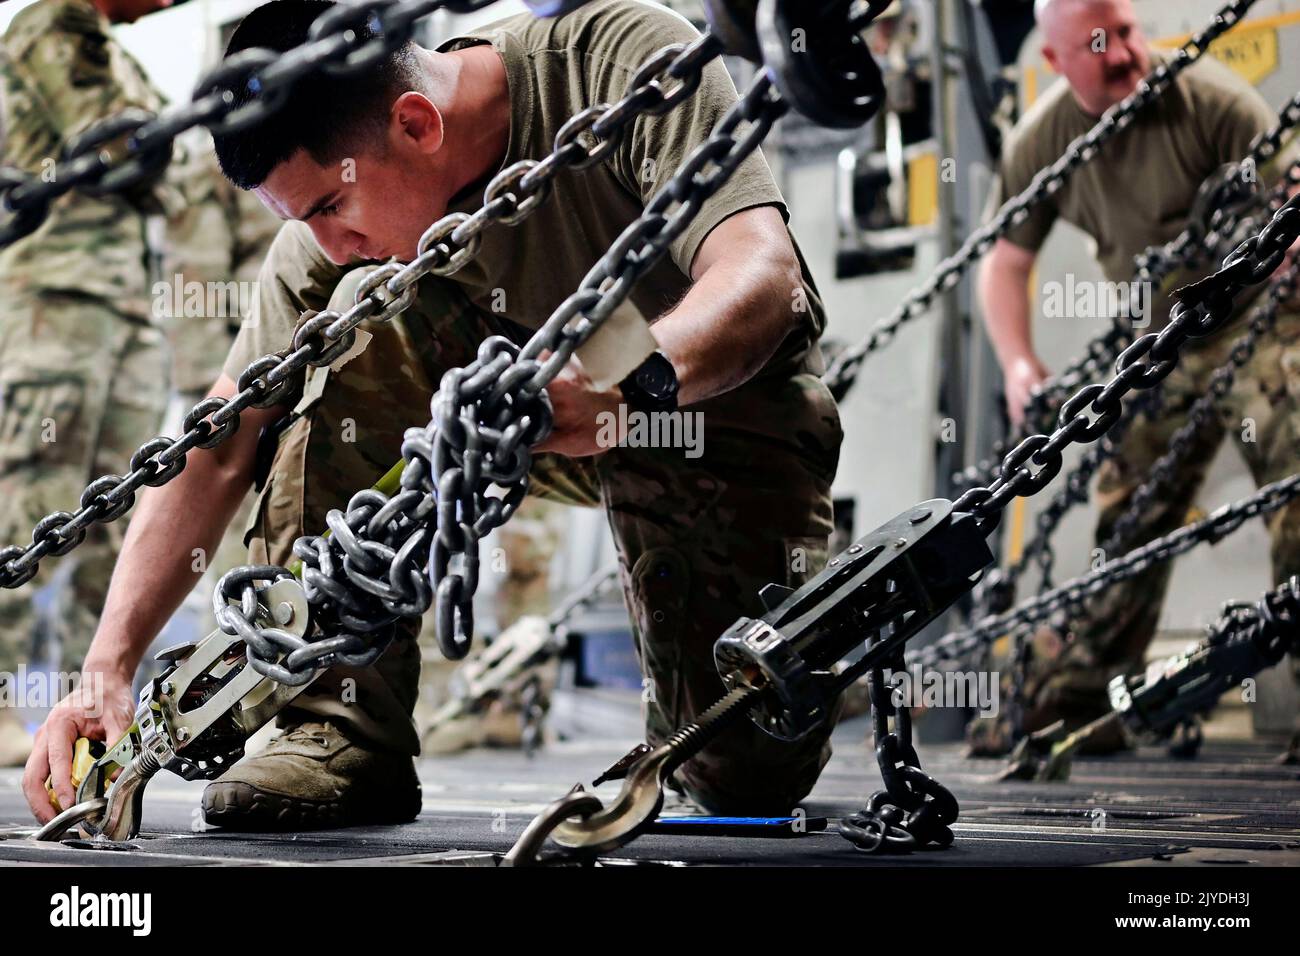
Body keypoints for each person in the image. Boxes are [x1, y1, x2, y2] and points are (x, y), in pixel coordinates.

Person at [24, 0, 844, 829]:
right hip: (522, 424)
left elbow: (762, 276)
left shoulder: (622, 56)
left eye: (328, 209)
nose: (330, 239)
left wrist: (626, 384)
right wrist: (107, 668)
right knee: (350, 321)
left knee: (741, 772)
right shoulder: (331, 240)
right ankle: (336, 729)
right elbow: (220, 435)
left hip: (708, 411)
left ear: (416, 124)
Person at [975, 0, 1300, 751]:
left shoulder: (1214, 100)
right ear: (1056, 63)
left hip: (1256, 319)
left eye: (1127, 31)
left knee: (1295, 466)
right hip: (1162, 338)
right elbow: (1005, 261)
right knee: (1127, 519)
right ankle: (1082, 708)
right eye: (1099, 43)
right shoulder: (1044, 140)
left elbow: (1289, 203)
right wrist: (1019, 362)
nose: (1123, 53)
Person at [0, 0, 180, 767]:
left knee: (116, 517)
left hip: (127, 307)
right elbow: (118, 146)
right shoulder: (54, 22)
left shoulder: (114, 47)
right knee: (29, 503)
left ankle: (83, 707)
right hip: (56, 301)